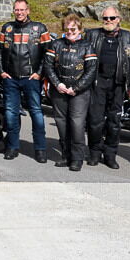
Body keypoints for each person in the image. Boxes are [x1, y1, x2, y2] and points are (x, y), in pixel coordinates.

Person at [0, 0, 51, 163]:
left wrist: (39, 73)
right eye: (16, 10)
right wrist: (1, 72)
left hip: (31, 79)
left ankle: (40, 149)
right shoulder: (7, 28)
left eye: (22, 9)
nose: (19, 12)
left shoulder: (40, 28)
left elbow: (48, 54)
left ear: (28, 10)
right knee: (10, 113)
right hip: (11, 79)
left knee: (36, 113)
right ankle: (12, 147)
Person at [84, 6, 130, 169]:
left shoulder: (128, 37)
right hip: (97, 83)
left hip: (118, 84)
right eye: (105, 18)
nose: (108, 21)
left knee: (114, 122)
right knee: (95, 121)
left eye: (112, 18)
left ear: (118, 19)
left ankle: (110, 155)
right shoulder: (92, 34)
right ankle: (94, 152)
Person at [43, 14, 97, 171]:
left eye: (73, 29)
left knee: (77, 124)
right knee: (61, 123)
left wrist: (76, 88)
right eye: (67, 29)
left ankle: (77, 158)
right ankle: (66, 155)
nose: (70, 31)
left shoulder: (87, 46)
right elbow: (48, 66)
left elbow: (91, 70)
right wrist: (57, 84)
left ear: (80, 29)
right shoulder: (56, 44)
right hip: (59, 90)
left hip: (79, 92)